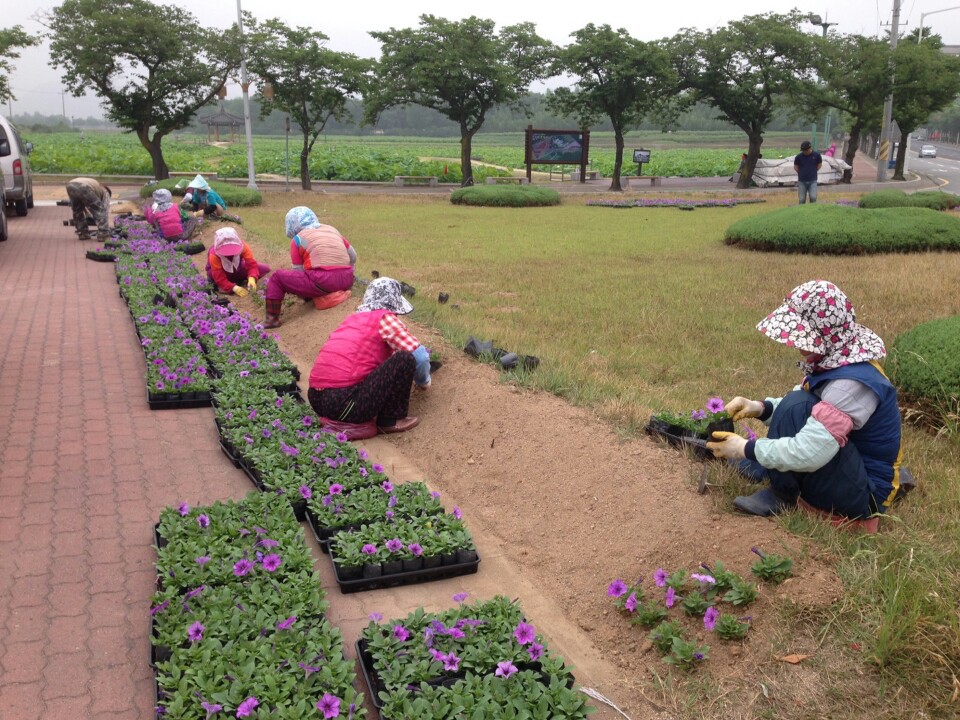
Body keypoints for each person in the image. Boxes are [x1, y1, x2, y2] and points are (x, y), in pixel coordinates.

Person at [706, 280, 904, 521]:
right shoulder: (837, 359)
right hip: (847, 467)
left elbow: (810, 451)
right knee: (797, 402)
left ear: (824, 333)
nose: (796, 343)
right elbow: (804, 408)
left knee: (797, 406)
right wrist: (759, 407)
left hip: (863, 496)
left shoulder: (853, 384)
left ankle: (783, 494)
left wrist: (744, 448)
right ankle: (777, 476)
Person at [307, 277, 432, 435]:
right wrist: (424, 382)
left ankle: (341, 418)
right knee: (405, 359)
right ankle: (391, 420)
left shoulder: (352, 320)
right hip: (343, 404)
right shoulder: (385, 318)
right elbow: (420, 357)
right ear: (393, 304)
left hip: (316, 399)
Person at [262, 206, 356, 328]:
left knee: (277, 277)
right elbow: (353, 257)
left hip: (323, 281)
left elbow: (298, 271)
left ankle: (272, 319)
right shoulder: (332, 230)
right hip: (348, 279)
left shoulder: (299, 239)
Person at [206, 227, 270, 297]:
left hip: (237, 268)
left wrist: (252, 278)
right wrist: (234, 288)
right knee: (213, 275)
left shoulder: (243, 247)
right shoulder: (214, 254)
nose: (230, 253)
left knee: (264, 268)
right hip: (222, 273)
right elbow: (219, 276)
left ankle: (238, 280)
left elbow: (251, 265)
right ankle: (226, 284)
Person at [65, 177, 112, 241]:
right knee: (100, 210)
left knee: (77, 211)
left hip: (70, 185)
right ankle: (103, 234)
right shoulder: (106, 192)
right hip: (84, 186)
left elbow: (86, 206)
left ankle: (83, 234)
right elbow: (103, 209)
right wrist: (105, 224)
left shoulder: (96, 187)